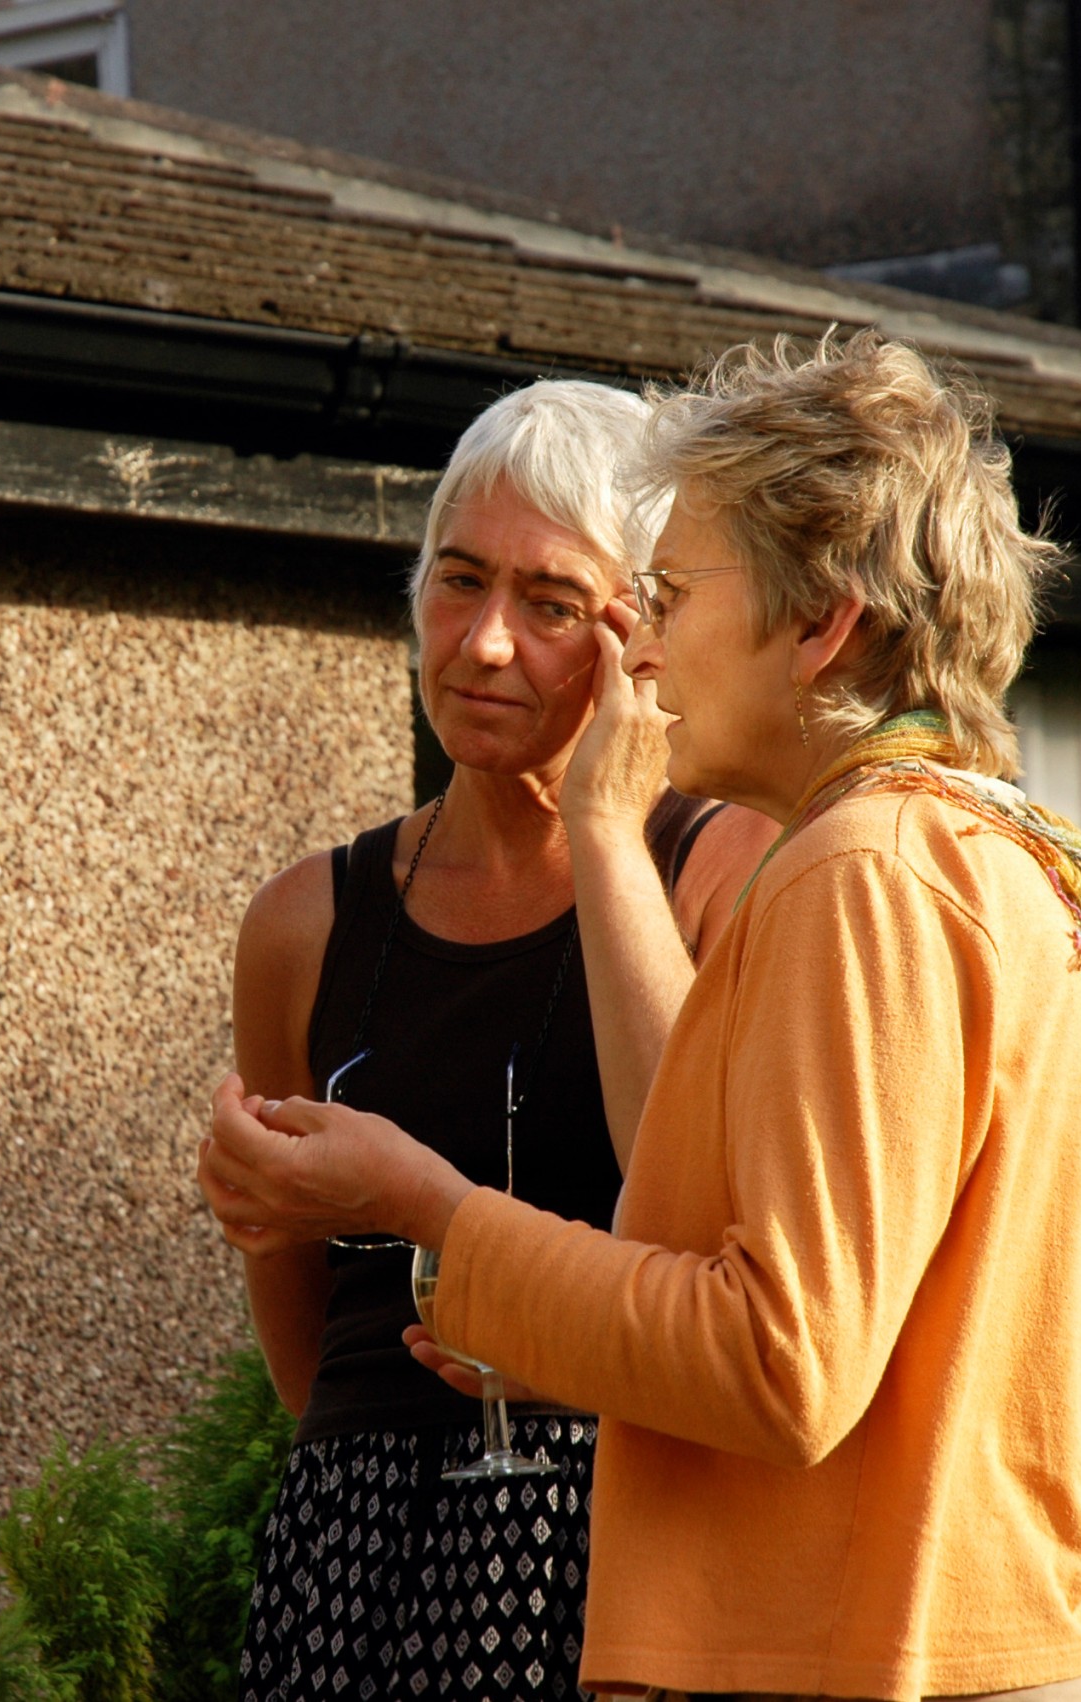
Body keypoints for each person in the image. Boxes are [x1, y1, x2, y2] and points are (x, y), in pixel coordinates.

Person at [203, 334, 1081, 1702]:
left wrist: (437, 1214)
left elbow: (780, 1359)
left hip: (939, 1652)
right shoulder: (1024, 854)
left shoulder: (859, 872)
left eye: (663, 594)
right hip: (1059, 1620)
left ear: (822, 622)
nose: (648, 647)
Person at [214, 379, 776, 1701]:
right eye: (458, 582)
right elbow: (306, 1347)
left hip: (625, 1542)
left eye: (553, 602)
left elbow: (713, 1229)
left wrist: (604, 824)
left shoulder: (727, 872)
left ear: (641, 630)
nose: (484, 643)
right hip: (353, 1560)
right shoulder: (305, 920)